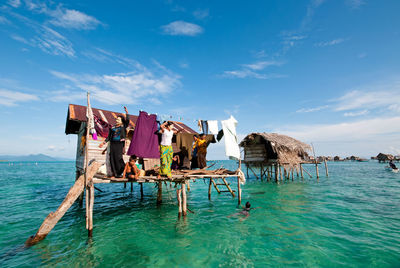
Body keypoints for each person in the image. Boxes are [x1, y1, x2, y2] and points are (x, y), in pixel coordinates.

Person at [99, 106, 129, 178]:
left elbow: (127, 120)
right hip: (112, 144)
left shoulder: (123, 126)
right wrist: (103, 143)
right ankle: (114, 174)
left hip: (119, 144)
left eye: (118, 119)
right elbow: (109, 137)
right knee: (112, 158)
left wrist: (127, 112)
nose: (117, 120)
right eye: (116, 119)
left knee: (118, 158)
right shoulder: (112, 127)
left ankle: (123, 171)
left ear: (122, 121)